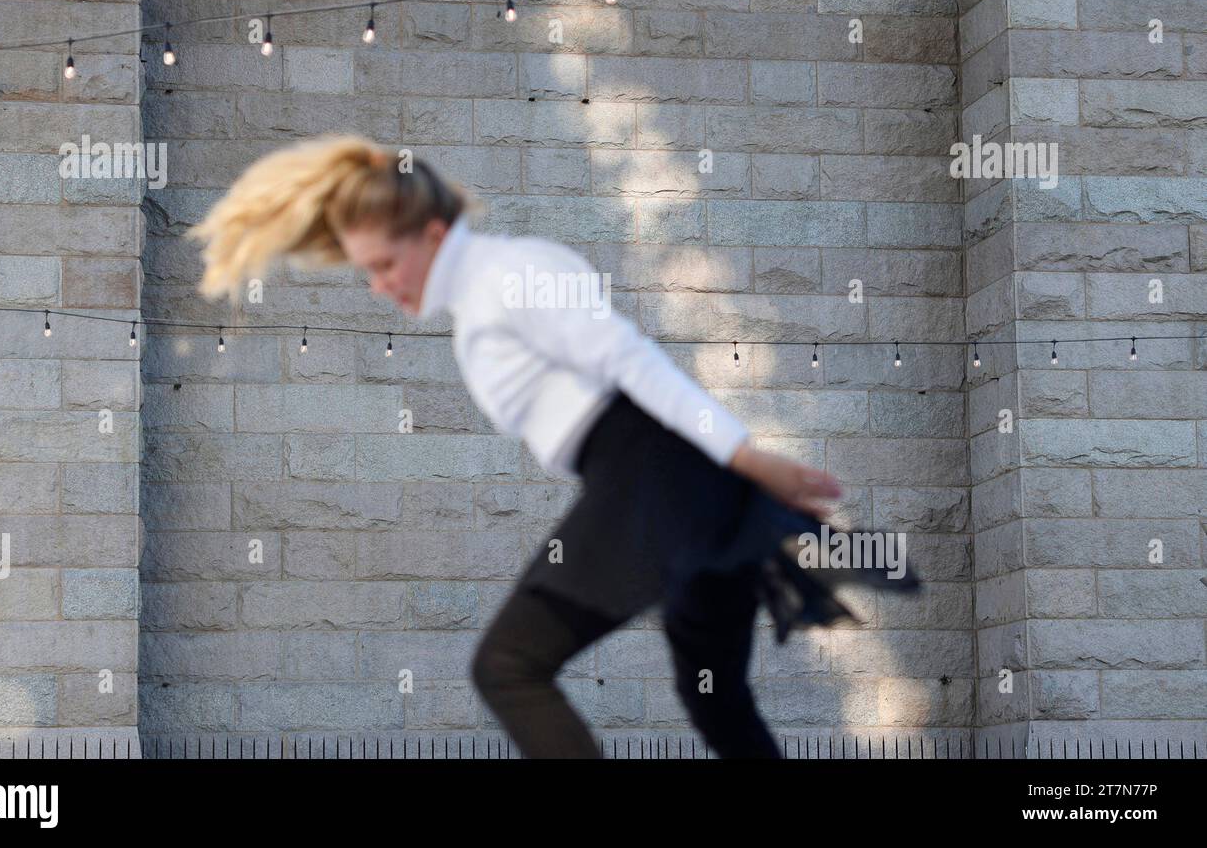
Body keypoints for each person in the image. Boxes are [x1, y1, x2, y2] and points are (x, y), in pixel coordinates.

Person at [188, 133, 921, 759]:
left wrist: (749, 456)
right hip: (678, 486)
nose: (380, 286)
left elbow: (631, 360)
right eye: (367, 271)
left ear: (433, 236)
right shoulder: (488, 290)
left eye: (384, 264)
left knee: (507, 664)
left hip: (652, 474)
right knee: (716, 699)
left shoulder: (509, 275)